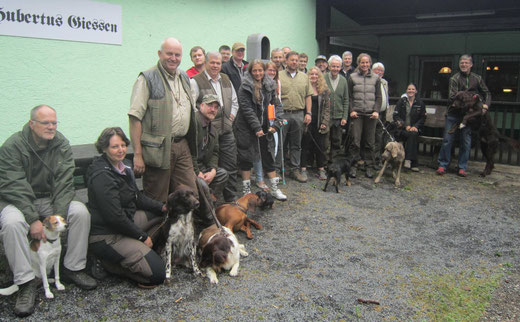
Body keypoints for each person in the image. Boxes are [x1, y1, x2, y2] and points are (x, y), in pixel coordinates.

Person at [0, 105, 97, 317]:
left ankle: (73, 267)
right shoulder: (12, 146)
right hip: (18, 201)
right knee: (12, 224)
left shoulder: (60, 143)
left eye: (54, 122)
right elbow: (13, 186)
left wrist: (57, 216)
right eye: (46, 122)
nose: (51, 127)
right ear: (31, 124)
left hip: (51, 200)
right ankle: (26, 282)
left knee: (80, 213)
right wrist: (33, 219)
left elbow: (64, 182)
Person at [86, 127, 166, 288]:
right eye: (115, 146)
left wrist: (163, 207)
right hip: (107, 234)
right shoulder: (102, 175)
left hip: (125, 222)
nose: (120, 150)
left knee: (164, 216)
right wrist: (142, 237)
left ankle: (137, 251)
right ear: (104, 148)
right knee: (157, 274)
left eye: (123, 145)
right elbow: (114, 217)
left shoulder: (124, 166)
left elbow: (137, 197)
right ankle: (108, 264)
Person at [128, 37, 199, 203]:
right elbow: (134, 118)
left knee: (190, 195)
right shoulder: (147, 78)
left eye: (177, 55)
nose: (173, 58)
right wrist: (138, 154)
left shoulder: (184, 77)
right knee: (157, 197)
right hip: (158, 150)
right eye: (169, 54)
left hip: (182, 146)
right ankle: (157, 229)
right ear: (160, 54)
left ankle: (183, 229)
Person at [235, 60, 287, 200]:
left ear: (264, 71)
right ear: (250, 72)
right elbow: (247, 110)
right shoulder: (244, 86)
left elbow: (277, 104)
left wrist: (277, 123)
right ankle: (246, 191)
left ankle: (275, 189)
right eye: (255, 71)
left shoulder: (270, 84)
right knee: (246, 157)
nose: (258, 73)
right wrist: (256, 127)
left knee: (268, 155)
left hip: (265, 125)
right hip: (246, 126)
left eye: (260, 70)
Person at [191, 52, 239, 202]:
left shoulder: (226, 79)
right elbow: (192, 106)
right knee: (212, 166)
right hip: (208, 131)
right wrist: (201, 122)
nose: (215, 66)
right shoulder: (196, 81)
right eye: (212, 62)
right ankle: (209, 201)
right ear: (205, 62)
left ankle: (230, 200)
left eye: (218, 63)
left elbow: (235, 101)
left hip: (227, 130)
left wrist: (231, 117)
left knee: (231, 166)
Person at [437, 54, 491, 177]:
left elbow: (487, 93)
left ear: (471, 64)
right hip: (453, 114)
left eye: (466, 63)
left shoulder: (477, 78)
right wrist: (473, 98)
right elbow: (453, 97)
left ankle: (462, 167)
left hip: (468, 116)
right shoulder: (454, 79)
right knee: (447, 140)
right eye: (462, 63)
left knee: (465, 141)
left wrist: (485, 105)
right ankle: (442, 165)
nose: (464, 65)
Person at [279, 51, 313, 183]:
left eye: (296, 60)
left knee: (296, 144)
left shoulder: (304, 77)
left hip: (299, 114)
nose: (294, 62)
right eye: (292, 60)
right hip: (283, 113)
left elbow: (308, 96)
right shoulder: (279, 75)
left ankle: (294, 169)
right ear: (286, 61)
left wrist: (308, 113)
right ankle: (277, 169)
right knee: (280, 143)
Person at [347, 53, 382, 179]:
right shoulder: (352, 77)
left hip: (371, 115)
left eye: (367, 62)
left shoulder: (376, 78)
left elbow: (379, 97)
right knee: (355, 142)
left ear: (370, 63)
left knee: (370, 142)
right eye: (362, 62)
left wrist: (376, 110)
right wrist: (351, 110)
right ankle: (353, 166)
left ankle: (369, 167)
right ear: (358, 63)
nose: (365, 65)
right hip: (357, 115)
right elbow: (349, 96)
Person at [194, 95, 229, 198]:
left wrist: (213, 171)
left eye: (216, 107)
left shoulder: (213, 129)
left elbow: (215, 152)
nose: (213, 110)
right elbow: (188, 152)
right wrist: (197, 172)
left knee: (222, 174)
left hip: (203, 167)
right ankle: (202, 206)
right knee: (199, 183)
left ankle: (209, 202)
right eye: (210, 105)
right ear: (201, 106)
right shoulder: (194, 122)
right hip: (189, 167)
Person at [301, 67, 331, 180]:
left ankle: (321, 169)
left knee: (320, 146)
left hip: (319, 122)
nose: (314, 76)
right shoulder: (304, 88)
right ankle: (303, 169)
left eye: (316, 74)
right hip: (307, 122)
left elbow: (327, 108)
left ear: (319, 76)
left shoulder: (324, 90)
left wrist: (325, 122)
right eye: (311, 74)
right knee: (305, 145)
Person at [393, 84, 426, 172]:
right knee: (411, 135)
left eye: (413, 89)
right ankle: (411, 161)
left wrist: (416, 126)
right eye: (409, 89)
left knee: (413, 134)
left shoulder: (420, 103)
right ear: (406, 90)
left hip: (414, 129)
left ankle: (407, 160)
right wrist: (404, 125)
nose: (411, 91)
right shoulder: (401, 102)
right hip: (402, 129)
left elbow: (423, 117)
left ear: (416, 91)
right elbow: (395, 116)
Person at [324, 55, 349, 161]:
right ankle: (324, 163)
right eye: (333, 66)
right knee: (325, 141)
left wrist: (344, 117)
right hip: (326, 116)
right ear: (329, 66)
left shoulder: (343, 80)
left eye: (338, 67)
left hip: (338, 116)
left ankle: (334, 161)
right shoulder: (323, 78)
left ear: (340, 67)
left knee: (337, 141)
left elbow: (346, 100)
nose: (335, 69)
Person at [372, 62, 390, 168]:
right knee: (371, 137)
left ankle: (377, 159)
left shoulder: (384, 82)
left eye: (381, 70)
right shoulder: (371, 81)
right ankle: (370, 160)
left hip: (382, 113)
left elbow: (385, 97)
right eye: (377, 70)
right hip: (373, 113)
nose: (379, 72)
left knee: (379, 137)